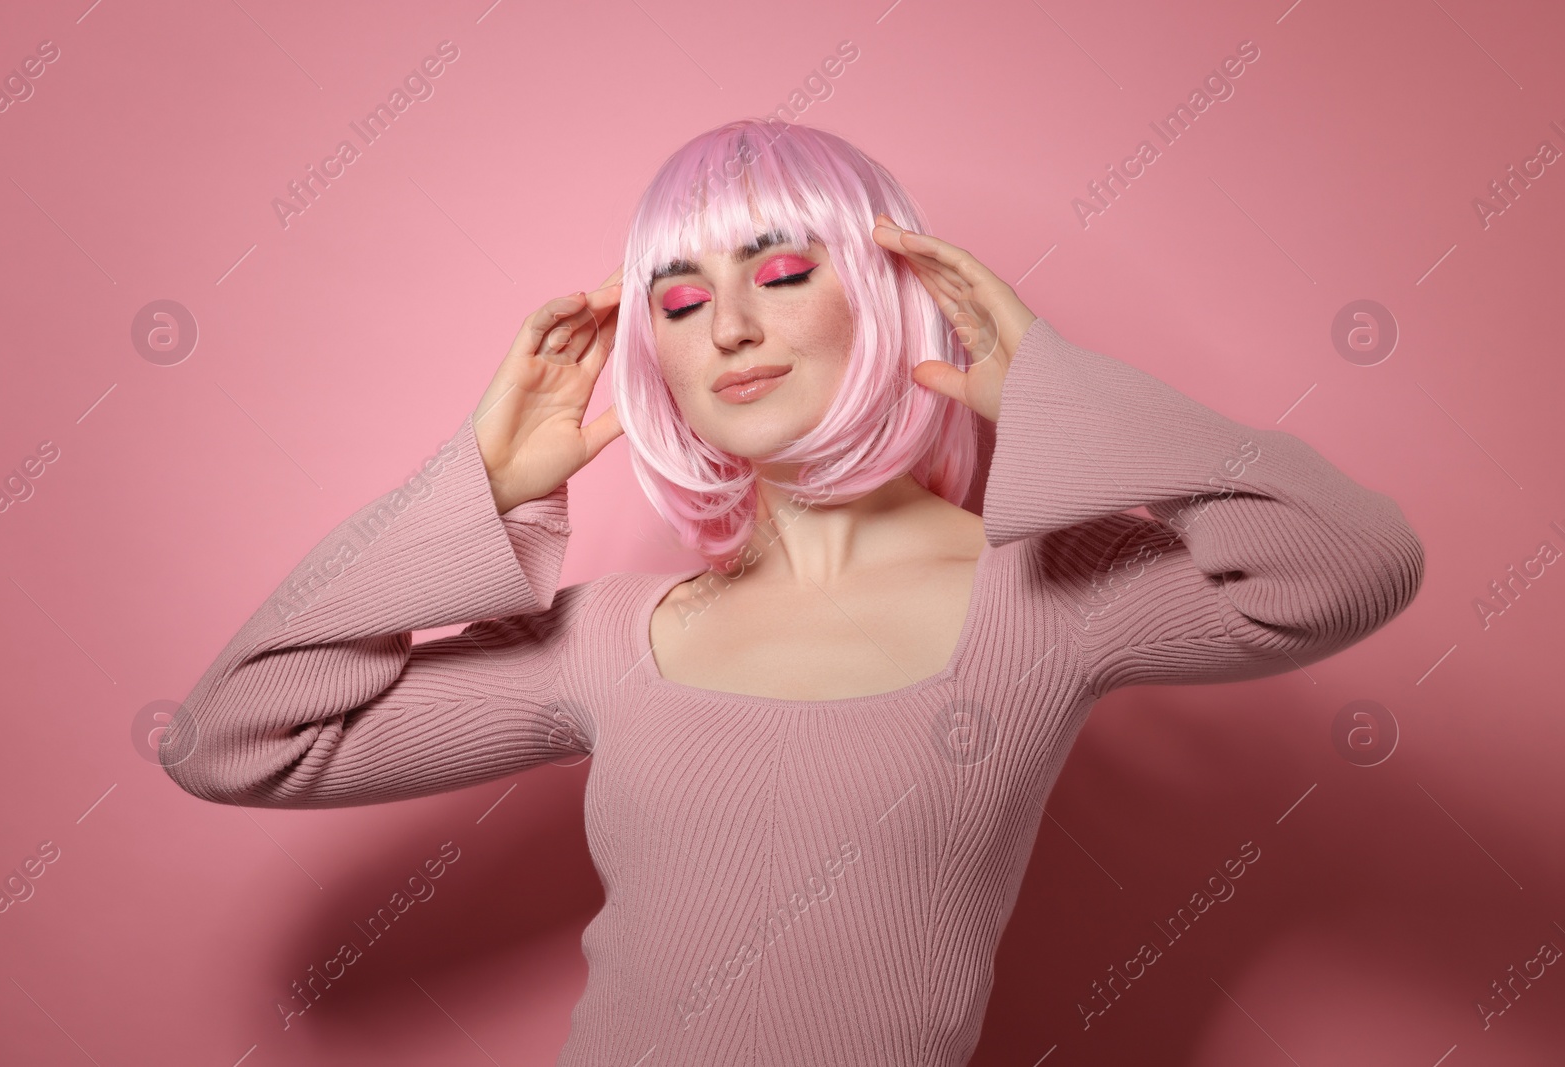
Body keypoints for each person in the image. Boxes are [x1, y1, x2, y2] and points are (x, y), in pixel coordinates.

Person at [161, 118, 1425, 1065]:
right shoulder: (607, 638)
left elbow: (1348, 565)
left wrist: (1056, 390)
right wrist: (476, 487)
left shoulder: (1048, 593)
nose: (727, 330)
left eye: (777, 274)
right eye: (679, 296)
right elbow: (231, 738)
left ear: (889, 290)